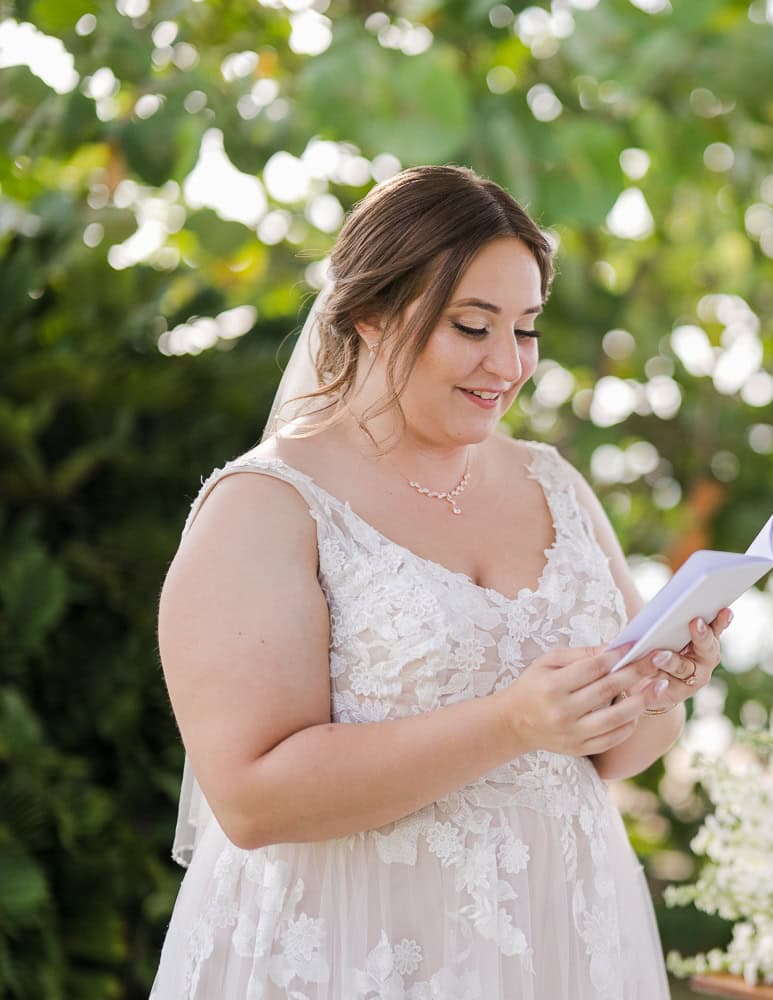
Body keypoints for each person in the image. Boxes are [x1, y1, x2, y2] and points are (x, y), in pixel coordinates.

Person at [150, 164, 729, 999]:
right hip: (357, 950)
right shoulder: (267, 507)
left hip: (561, 943)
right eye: (472, 326)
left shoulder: (553, 483)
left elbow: (616, 756)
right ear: (370, 316)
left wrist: (660, 687)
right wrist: (511, 723)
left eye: (526, 329)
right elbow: (249, 800)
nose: (508, 364)